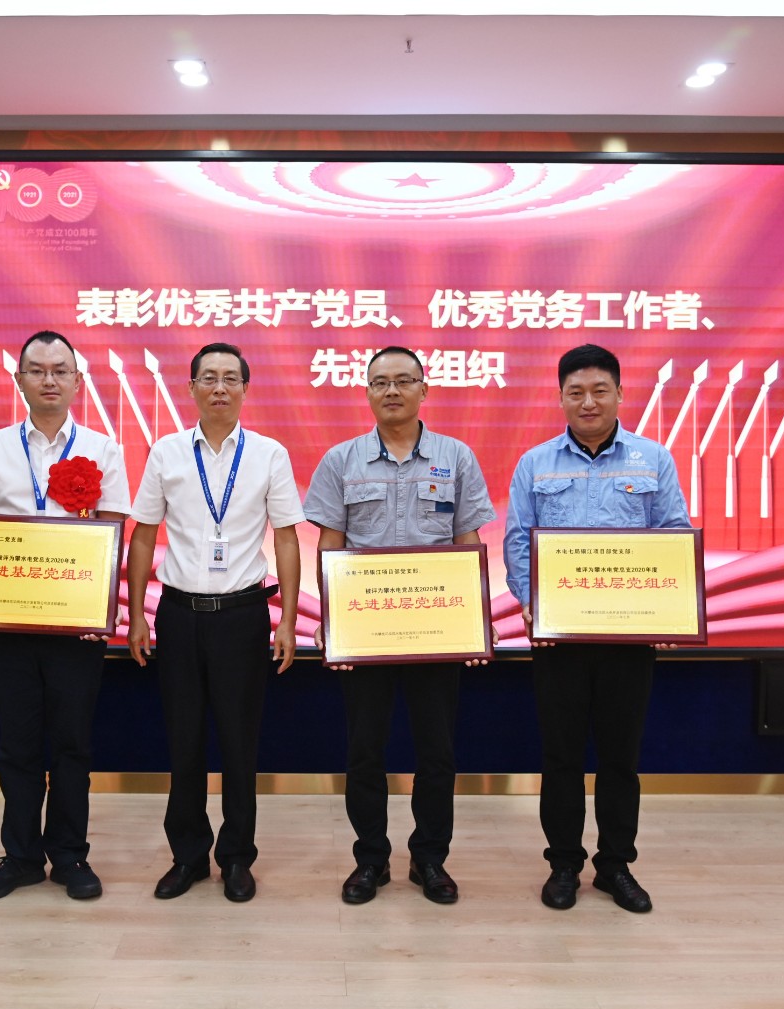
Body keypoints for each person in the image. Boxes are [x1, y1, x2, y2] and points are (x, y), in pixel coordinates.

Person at [0, 330, 131, 902]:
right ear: (19, 379)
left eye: (60, 370)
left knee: (72, 744)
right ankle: (20, 857)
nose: (50, 379)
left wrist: (104, 604)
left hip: (76, 626)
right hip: (10, 623)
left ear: (77, 381)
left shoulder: (103, 449)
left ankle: (70, 856)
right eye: (38, 370)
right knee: (17, 744)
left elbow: (114, 533)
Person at [302, 346, 495, 905]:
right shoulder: (341, 460)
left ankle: (430, 859)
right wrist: (332, 620)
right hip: (366, 633)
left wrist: (474, 623)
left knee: (437, 753)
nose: (392, 391)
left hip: (437, 632)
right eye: (380, 382)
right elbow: (330, 545)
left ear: (424, 389)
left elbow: (467, 541)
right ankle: (371, 860)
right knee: (365, 751)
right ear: (366, 391)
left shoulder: (456, 457)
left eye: (404, 380)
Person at [503, 343, 690, 914]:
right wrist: (531, 602)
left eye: (599, 390)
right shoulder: (536, 463)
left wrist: (670, 608)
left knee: (619, 758)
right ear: (561, 398)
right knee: (560, 756)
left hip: (627, 640)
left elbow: (673, 533)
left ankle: (615, 865)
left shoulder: (653, 459)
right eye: (576, 392)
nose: (588, 401)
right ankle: (563, 864)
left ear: (619, 394)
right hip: (558, 639)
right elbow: (517, 540)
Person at [125, 342, 304, 903]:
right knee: (184, 741)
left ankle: (237, 858)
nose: (219, 387)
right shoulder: (166, 452)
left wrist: (288, 619)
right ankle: (188, 857)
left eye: (230, 378)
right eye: (208, 377)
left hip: (243, 615)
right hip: (179, 615)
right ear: (191, 388)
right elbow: (144, 536)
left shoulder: (270, 454)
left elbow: (286, 538)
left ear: (246, 389)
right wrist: (137, 615)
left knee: (239, 742)